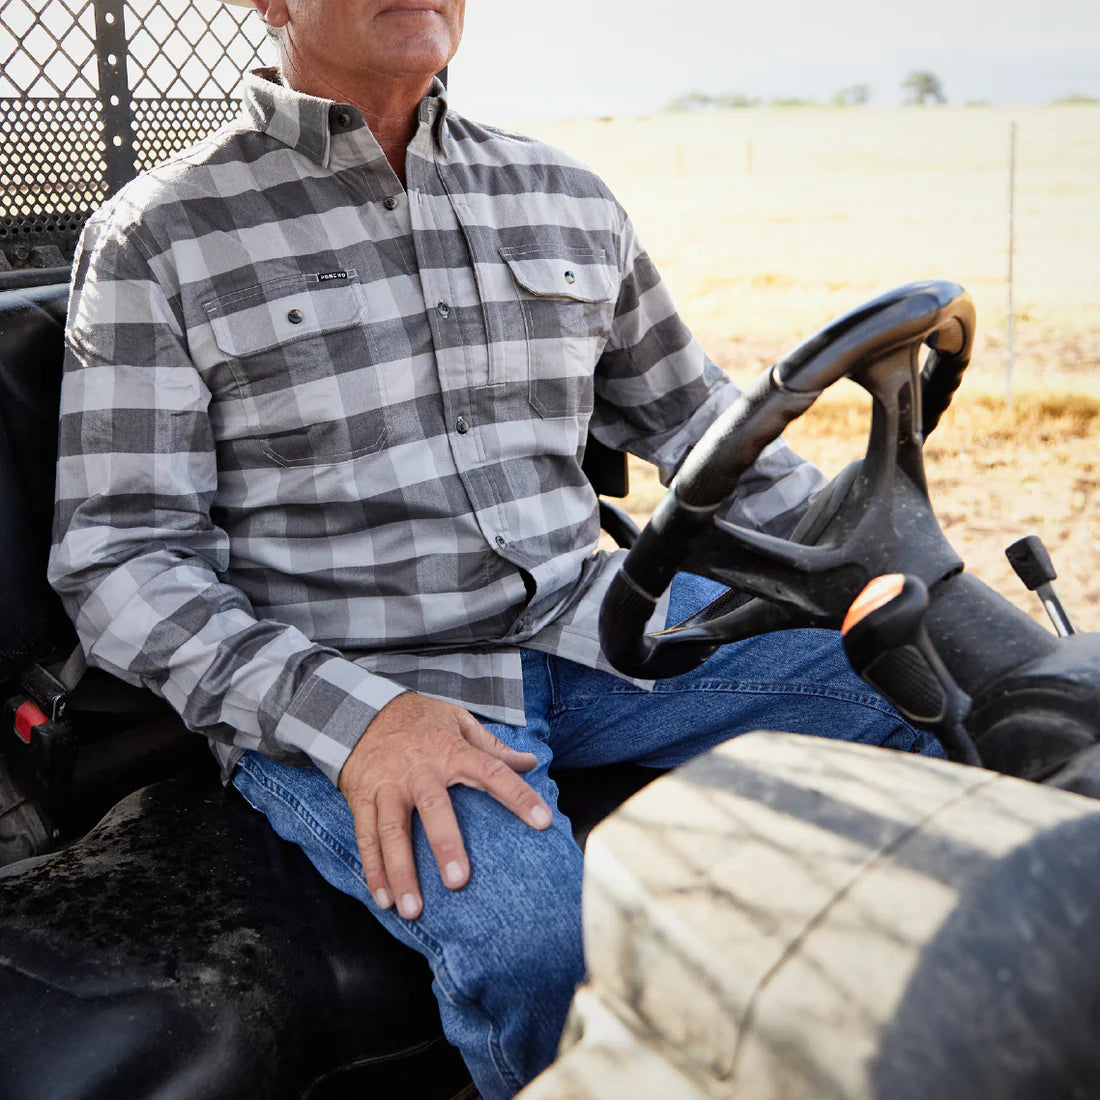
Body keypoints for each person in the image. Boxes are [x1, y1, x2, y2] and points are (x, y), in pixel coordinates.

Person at [49, 1, 943, 1095]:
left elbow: (711, 434)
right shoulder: (161, 234)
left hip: (598, 625)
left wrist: (881, 562)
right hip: (363, 680)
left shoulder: (563, 195)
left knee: (940, 689)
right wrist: (358, 720)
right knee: (537, 944)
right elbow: (121, 560)